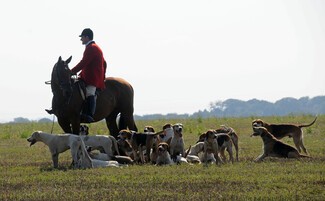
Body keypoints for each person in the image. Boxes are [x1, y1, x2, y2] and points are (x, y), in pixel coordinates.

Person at [71, 28, 107, 123]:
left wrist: (72, 71)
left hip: (93, 78)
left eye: (82, 37)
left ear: (87, 37)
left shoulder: (92, 48)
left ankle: (89, 114)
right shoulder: (91, 47)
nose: (81, 39)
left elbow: (83, 63)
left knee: (90, 93)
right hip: (86, 76)